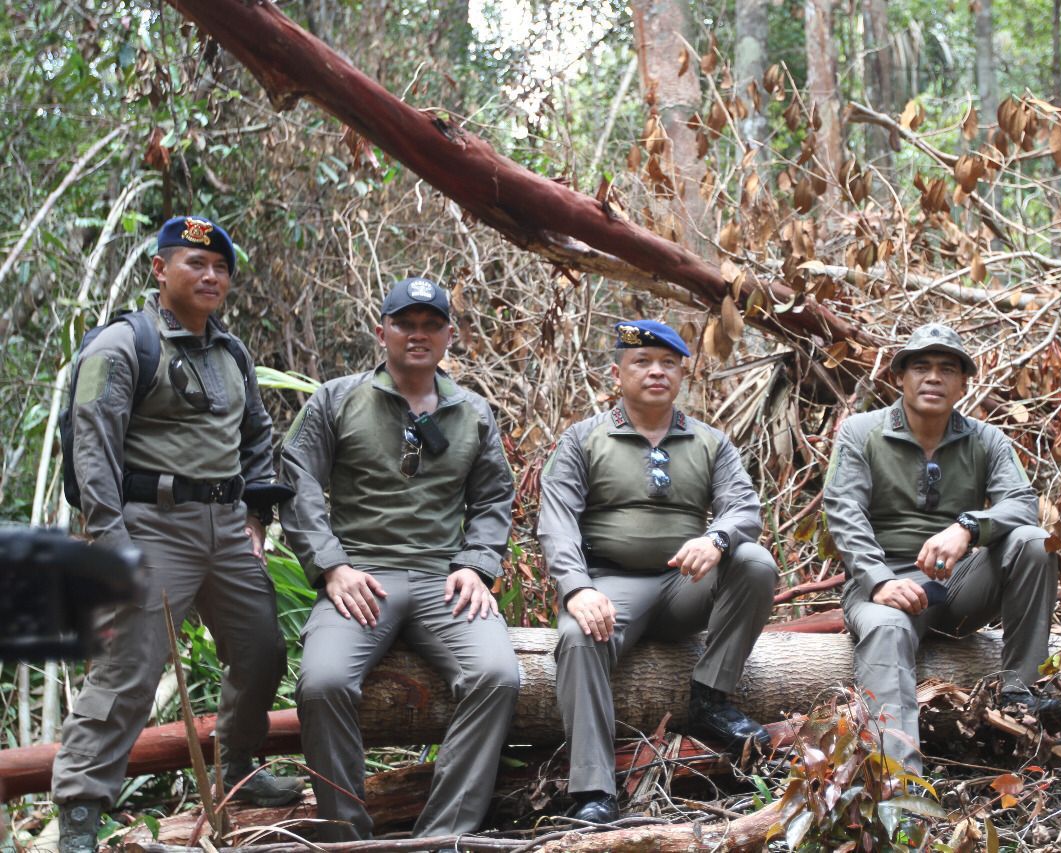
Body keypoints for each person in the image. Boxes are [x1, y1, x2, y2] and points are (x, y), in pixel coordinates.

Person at [54, 216, 301, 853]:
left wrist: (254, 518)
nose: (211, 275)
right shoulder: (121, 345)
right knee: (128, 670)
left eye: (220, 267)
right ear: (161, 270)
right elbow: (92, 446)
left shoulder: (231, 352)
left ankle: (238, 768)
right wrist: (110, 541)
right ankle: (80, 815)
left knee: (261, 650)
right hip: (149, 527)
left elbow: (257, 440)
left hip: (224, 526)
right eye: (196, 263)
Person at [279, 277, 519, 842]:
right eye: (405, 324)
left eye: (431, 325)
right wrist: (331, 565)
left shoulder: (473, 413)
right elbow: (298, 482)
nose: (418, 335)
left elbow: (493, 498)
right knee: (323, 683)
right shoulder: (337, 399)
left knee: (497, 675)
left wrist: (477, 564)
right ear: (381, 330)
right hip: (360, 575)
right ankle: (347, 837)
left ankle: (440, 836)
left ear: (449, 336)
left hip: (445, 577)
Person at [538, 319, 779, 824]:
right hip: (609, 584)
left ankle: (711, 698)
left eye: (668, 363)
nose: (655, 372)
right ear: (616, 374)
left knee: (755, 562)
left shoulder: (709, 442)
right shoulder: (584, 439)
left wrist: (715, 539)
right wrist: (577, 588)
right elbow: (556, 523)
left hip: (684, 587)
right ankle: (594, 791)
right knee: (577, 637)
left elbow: (745, 511)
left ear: (682, 374)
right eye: (641, 362)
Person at [823, 322, 1061, 777]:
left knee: (1033, 541)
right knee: (888, 630)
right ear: (900, 377)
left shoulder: (986, 439)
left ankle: (1019, 695)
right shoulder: (860, 432)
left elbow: (1024, 504)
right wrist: (878, 581)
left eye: (946, 369)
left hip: (960, 584)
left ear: (962, 383)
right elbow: (843, 512)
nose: (933, 377)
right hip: (883, 584)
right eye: (921, 367)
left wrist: (969, 527)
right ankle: (897, 782)